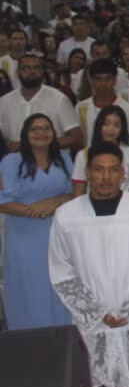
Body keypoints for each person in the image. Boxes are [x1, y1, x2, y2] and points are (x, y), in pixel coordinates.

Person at [48, 141, 129, 387]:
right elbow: (62, 271)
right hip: (95, 320)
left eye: (113, 169)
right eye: (98, 169)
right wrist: (97, 312)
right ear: (87, 172)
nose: (106, 177)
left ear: (123, 172)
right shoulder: (68, 215)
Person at [0, 114, 74, 330]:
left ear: (53, 133)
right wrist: (34, 211)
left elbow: (76, 194)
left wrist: (55, 201)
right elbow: (2, 201)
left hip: (59, 233)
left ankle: (62, 339)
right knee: (29, 287)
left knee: (58, 283)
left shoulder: (65, 158)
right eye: (35, 129)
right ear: (26, 134)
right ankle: (28, 341)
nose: (41, 133)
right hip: (23, 235)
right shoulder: (11, 161)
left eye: (46, 128)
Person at [0, 54, 83, 151]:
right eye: (26, 68)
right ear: (17, 72)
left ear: (42, 71)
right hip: (14, 162)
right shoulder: (4, 101)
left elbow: (77, 138)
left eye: (36, 68)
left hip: (51, 162)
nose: (32, 72)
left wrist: (35, 144)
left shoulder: (59, 99)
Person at [71, 106, 129, 197]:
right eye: (106, 124)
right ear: (99, 126)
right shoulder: (83, 155)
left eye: (116, 125)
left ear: (122, 128)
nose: (110, 129)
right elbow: (78, 192)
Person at [77, 58, 129, 147]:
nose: (103, 83)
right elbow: (78, 142)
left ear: (114, 80)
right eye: (98, 79)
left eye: (108, 79)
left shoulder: (126, 108)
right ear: (91, 81)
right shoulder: (81, 108)